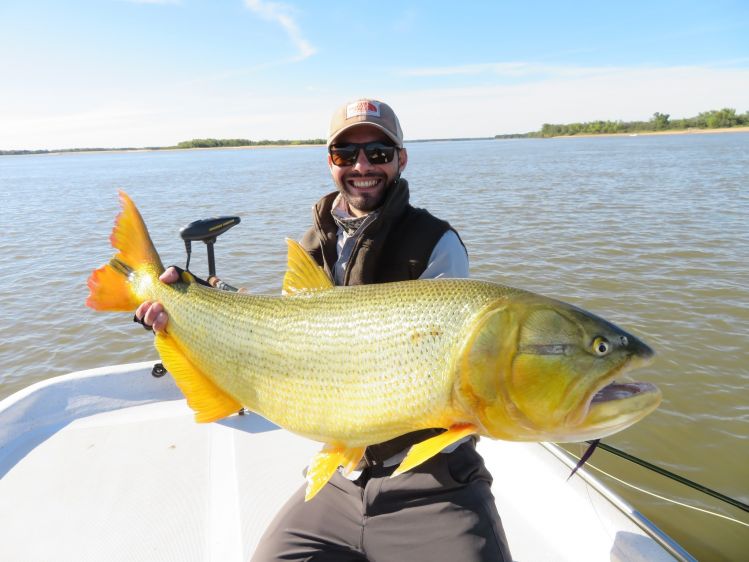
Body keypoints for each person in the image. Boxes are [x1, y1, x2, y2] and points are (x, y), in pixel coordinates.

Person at [135, 99, 512, 561]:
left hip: (431, 477)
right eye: (345, 154)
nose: (362, 166)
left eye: (378, 152)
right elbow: (295, 334)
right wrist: (185, 305)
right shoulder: (317, 241)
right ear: (329, 162)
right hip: (343, 477)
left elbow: (440, 367)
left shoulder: (435, 242)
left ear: (401, 159)